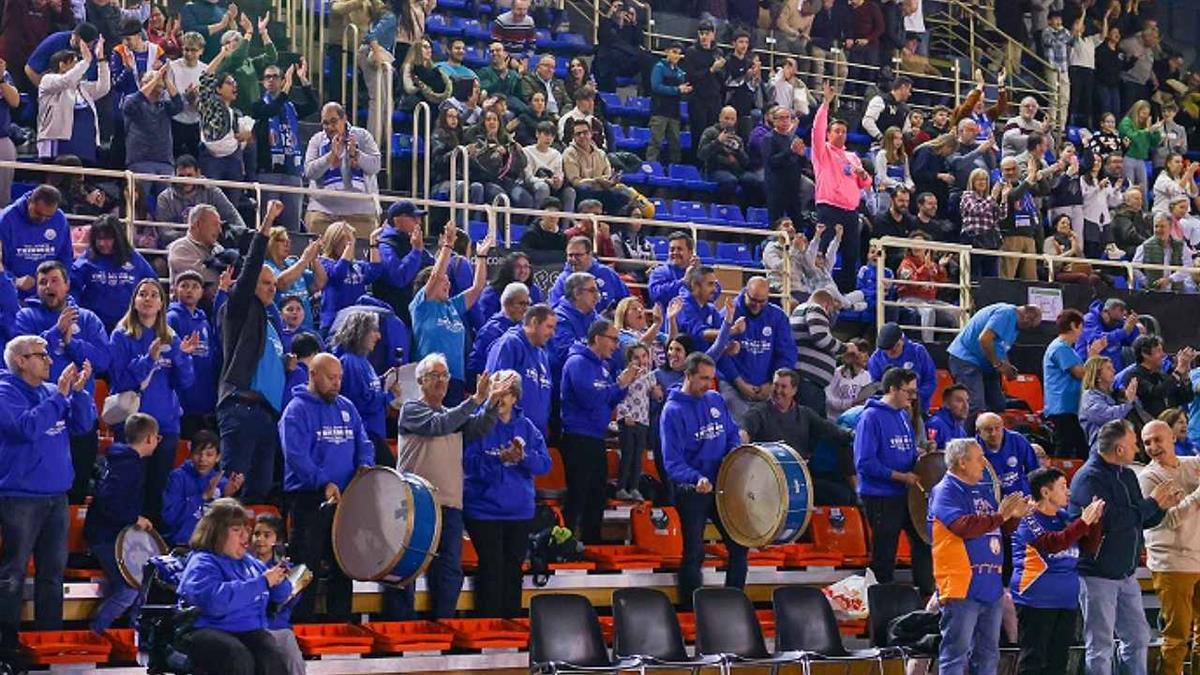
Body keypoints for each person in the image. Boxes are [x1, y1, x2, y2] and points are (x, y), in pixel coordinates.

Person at [388, 356, 511, 620]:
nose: (441, 381)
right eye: (434, 375)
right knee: (405, 566)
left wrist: (491, 403)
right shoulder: (411, 409)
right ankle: (400, 627)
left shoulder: (452, 414)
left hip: (450, 504)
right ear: (420, 381)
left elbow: (478, 428)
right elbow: (439, 426)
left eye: (445, 376)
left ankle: (443, 624)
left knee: (449, 570)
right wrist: (476, 401)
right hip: (415, 503)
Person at [0, 337, 94, 659]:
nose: (49, 361)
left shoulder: (54, 390)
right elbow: (26, 427)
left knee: (52, 575)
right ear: (21, 361)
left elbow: (83, 426)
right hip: (19, 498)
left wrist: (78, 393)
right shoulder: (5, 392)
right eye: (41, 355)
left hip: (57, 497)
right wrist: (61, 397)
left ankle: (49, 642)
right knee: (13, 574)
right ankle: (7, 646)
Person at [1071, 419, 1181, 675]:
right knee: (1100, 646)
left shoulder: (1127, 473)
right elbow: (1110, 520)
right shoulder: (1089, 478)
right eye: (1133, 444)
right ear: (1119, 449)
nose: (1137, 450)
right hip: (1098, 575)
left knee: (1138, 638)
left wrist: (1161, 507)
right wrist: (1151, 504)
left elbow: (1139, 517)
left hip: (1126, 573)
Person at [279, 352, 374, 621]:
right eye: (331, 378)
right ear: (312, 374)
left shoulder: (347, 406)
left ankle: (339, 627)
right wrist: (323, 482)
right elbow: (296, 456)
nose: (337, 383)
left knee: (343, 566)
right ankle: (300, 629)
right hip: (309, 499)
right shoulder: (295, 411)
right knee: (306, 566)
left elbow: (363, 441)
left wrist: (365, 464)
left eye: (340, 378)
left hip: (345, 499)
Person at [930, 437, 1030, 675]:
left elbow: (1000, 529)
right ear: (962, 462)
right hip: (961, 584)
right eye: (978, 458)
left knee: (988, 654)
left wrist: (1014, 516)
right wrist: (1000, 516)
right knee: (956, 654)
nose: (984, 463)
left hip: (990, 584)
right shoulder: (946, 490)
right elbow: (962, 526)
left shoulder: (983, 490)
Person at [15, 260, 110, 502]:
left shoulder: (87, 319)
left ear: (67, 285)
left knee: (76, 492)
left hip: (79, 415)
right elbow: (18, 358)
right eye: (42, 282)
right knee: (39, 493)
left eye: (55, 281)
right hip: (41, 415)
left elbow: (103, 361)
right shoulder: (26, 316)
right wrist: (56, 333)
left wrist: (72, 343)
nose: (48, 287)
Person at [109, 278, 198, 523]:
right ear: (135, 301)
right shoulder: (121, 335)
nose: (147, 299)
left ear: (162, 304)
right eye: (142, 294)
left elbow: (186, 383)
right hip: (132, 427)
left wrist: (181, 358)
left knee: (156, 492)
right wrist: (148, 360)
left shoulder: (171, 337)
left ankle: (152, 548)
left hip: (164, 427)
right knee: (129, 490)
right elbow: (119, 380)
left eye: (153, 295)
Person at [661, 352, 745, 609]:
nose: (708, 384)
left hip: (722, 484)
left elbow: (732, 435)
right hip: (692, 490)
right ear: (687, 376)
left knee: (740, 545)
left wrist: (733, 455)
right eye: (703, 379)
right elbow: (672, 462)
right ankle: (691, 610)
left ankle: (733, 605)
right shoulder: (672, 411)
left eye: (712, 378)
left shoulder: (715, 399)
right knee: (694, 551)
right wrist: (696, 478)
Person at [463, 369, 550, 617]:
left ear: (515, 397)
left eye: (507, 393)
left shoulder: (528, 427)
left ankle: (511, 624)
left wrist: (524, 457)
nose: (501, 398)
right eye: (496, 391)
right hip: (483, 510)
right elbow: (468, 465)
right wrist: (499, 459)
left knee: (513, 569)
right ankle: (488, 625)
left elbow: (545, 464)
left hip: (519, 511)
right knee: (491, 567)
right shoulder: (477, 425)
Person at [215, 200, 286, 503]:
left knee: (259, 491)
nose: (273, 288)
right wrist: (267, 223)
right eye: (265, 283)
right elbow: (252, 265)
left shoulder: (270, 323)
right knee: (233, 488)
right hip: (241, 408)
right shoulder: (241, 310)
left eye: (274, 284)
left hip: (266, 415)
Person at [175, 498, 292, 675]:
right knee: (237, 657)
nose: (245, 537)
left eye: (246, 529)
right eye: (236, 530)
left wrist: (280, 580)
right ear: (217, 533)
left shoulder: (249, 562)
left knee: (270, 655)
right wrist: (262, 583)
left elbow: (281, 595)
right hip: (205, 628)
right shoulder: (202, 562)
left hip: (245, 629)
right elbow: (215, 602)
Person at [1010, 466, 1104, 675]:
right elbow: (1053, 543)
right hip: (1036, 600)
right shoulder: (1028, 518)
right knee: (1033, 661)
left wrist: (1094, 522)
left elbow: (1088, 547)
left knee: (1058, 662)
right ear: (1045, 492)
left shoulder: (1063, 517)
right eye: (1063, 487)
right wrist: (1084, 521)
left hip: (1066, 600)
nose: (1068, 492)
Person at [854, 366, 933, 594]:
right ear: (892, 389)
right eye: (908, 392)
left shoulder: (902, 415)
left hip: (906, 494)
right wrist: (900, 476)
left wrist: (918, 453)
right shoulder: (870, 417)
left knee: (922, 542)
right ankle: (882, 602)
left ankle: (925, 594)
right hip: (881, 496)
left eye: (914, 392)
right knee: (885, 553)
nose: (913, 397)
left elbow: (901, 450)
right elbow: (865, 463)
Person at [560, 319, 640, 542]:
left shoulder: (603, 367)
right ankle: (564, 545)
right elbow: (589, 399)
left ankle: (591, 543)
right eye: (613, 339)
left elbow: (609, 400)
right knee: (577, 495)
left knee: (596, 497)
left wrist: (623, 386)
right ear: (597, 338)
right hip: (578, 438)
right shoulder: (577, 362)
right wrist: (617, 385)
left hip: (596, 438)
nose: (617, 345)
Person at [83, 412, 158, 633]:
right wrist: (135, 519)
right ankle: (94, 632)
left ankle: (135, 636)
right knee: (129, 589)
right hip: (106, 537)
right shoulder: (128, 465)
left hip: (113, 535)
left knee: (144, 584)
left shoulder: (123, 460)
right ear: (149, 438)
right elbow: (110, 502)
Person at [1136, 419, 1200, 674]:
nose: (1152, 446)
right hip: (1172, 565)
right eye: (1147, 442)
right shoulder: (1148, 477)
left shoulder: (1191, 465)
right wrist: (1196, 495)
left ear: (1173, 438)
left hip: (1198, 557)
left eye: (1157, 439)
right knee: (1176, 638)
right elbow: (1168, 518)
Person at [742, 367, 857, 505]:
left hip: (800, 479)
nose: (778, 391)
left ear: (794, 390)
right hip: (767, 480)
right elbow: (744, 432)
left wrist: (855, 435)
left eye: (783, 386)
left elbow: (832, 430)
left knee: (842, 496)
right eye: (775, 385)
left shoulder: (805, 414)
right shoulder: (758, 412)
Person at [410, 224, 490, 406]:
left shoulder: (452, 306)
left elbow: (477, 288)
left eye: (448, 281)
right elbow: (436, 275)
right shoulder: (422, 305)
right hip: (429, 379)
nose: (448, 285)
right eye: (443, 282)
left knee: (452, 432)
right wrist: (448, 245)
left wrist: (482, 256)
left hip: (454, 379)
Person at [813, 81, 871, 290]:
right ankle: (820, 290)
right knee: (825, 251)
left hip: (850, 212)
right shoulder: (822, 152)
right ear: (829, 134)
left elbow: (865, 183)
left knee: (851, 254)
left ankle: (846, 292)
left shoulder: (852, 156)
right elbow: (816, 131)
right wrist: (825, 104)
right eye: (836, 130)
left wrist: (864, 175)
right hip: (828, 208)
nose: (840, 134)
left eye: (844, 131)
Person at [947, 303, 1042, 430]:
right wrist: (998, 364)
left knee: (997, 404)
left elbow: (1001, 348)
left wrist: (1007, 368)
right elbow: (984, 339)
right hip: (966, 359)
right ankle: (965, 441)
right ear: (1027, 317)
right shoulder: (1005, 314)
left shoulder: (1014, 325)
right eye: (1030, 326)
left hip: (985, 365)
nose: (1028, 329)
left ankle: (989, 439)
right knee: (975, 404)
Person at [720, 277, 796, 423]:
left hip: (766, 388)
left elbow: (787, 354)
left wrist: (771, 384)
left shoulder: (778, 317)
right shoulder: (729, 312)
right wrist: (739, 383)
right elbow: (720, 354)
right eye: (753, 300)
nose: (757, 305)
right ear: (745, 292)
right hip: (733, 385)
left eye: (762, 301)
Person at [253, 62, 317, 232]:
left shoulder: (291, 106)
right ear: (263, 82)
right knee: (266, 225)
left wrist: (303, 80)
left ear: (282, 80)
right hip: (269, 171)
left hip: (292, 171)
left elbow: (313, 106)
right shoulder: (258, 106)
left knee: (292, 227)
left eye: (275, 76)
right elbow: (271, 111)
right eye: (267, 77)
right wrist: (286, 90)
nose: (271, 80)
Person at [303, 102, 382, 238]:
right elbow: (309, 172)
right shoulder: (316, 140)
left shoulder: (363, 136)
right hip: (323, 211)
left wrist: (356, 154)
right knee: (314, 224)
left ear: (344, 119)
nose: (329, 127)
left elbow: (375, 166)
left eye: (334, 121)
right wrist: (330, 156)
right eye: (325, 123)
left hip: (360, 212)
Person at [329, 310, 396, 466]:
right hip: (365, 434)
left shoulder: (363, 361)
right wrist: (389, 395)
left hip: (374, 433)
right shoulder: (350, 362)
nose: (378, 336)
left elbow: (368, 390)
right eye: (374, 331)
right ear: (360, 332)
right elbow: (361, 402)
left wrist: (382, 380)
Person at [70, 215, 158, 332]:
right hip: (95, 327)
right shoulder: (87, 259)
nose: (102, 243)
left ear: (117, 238)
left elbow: (153, 284)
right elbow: (72, 287)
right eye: (98, 239)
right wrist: (77, 313)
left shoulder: (133, 258)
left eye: (107, 239)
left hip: (128, 325)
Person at [167, 270, 225, 438]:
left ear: (201, 292)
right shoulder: (172, 318)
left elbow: (213, 353)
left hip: (205, 396)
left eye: (194, 286)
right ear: (175, 290)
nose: (189, 290)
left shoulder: (203, 320)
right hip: (184, 398)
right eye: (184, 286)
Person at [37, 38, 110, 165]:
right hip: (59, 142)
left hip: (85, 143)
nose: (80, 68)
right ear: (62, 65)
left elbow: (103, 88)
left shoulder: (82, 87)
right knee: (58, 179)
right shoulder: (48, 80)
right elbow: (66, 81)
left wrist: (101, 60)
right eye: (75, 64)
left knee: (80, 180)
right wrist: (86, 61)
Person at [1044, 309, 1105, 458]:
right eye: (1081, 327)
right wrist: (1093, 357)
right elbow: (1081, 373)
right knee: (1065, 446)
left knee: (1081, 447)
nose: (1082, 332)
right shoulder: (1059, 348)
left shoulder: (1069, 350)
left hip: (1073, 407)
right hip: (1063, 407)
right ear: (1073, 325)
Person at [161, 429, 238, 546]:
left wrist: (227, 496)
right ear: (190, 453)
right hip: (181, 545)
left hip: (212, 546)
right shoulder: (177, 477)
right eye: (198, 453)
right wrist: (203, 497)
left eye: (209, 454)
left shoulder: (221, 482)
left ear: (218, 457)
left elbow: (225, 524)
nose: (203, 459)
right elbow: (169, 516)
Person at [0, 185, 73, 301]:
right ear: (30, 202)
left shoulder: (60, 220)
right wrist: (14, 280)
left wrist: (60, 282)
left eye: (48, 217)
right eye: (38, 213)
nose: (42, 220)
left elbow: (66, 257)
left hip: (49, 295)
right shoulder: (6, 220)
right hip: (12, 293)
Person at [156, 156, 246, 248]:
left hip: (211, 242)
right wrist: (194, 236)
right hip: (179, 244)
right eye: (181, 176)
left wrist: (243, 236)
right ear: (174, 175)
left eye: (189, 175)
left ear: (198, 173)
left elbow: (232, 216)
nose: (185, 180)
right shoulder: (165, 198)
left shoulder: (212, 191)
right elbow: (164, 232)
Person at [790, 289, 846, 415]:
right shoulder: (815, 308)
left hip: (806, 381)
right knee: (813, 428)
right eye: (832, 311)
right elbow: (821, 338)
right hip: (808, 383)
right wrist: (846, 348)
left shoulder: (799, 311)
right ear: (827, 305)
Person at [547, 236, 629, 314]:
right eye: (570, 255)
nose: (573, 259)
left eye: (578, 255)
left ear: (589, 254)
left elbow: (625, 300)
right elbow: (554, 309)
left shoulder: (606, 273)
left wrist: (615, 313)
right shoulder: (563, 280)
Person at [867, 321, 937, 412]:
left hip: (917, 407)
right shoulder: (876, 359)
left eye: (894, 347)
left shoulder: (918, 352)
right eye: (886, 350)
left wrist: (914, 397)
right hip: (889, 409)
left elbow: (930, 380)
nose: (890, 352)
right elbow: (875, 387)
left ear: (902, 340)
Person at [1130, 335, 1195, 419]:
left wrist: (1185, 373)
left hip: (1171, 425)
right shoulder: (1134, 376)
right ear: (1145, 354)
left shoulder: (1161, 375)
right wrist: (1178, 371)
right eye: (1158, 351)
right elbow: (1156, 392)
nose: (1163, 354)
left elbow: (1186, 397)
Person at [1077, 298, 1140, 371]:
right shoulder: (1089, 319)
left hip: (1113, 370)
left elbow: (1133, 341)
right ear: (1105, 311)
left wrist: (1132, 326)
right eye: (1114, 320)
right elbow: (1097, 340)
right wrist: (1123, 331)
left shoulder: (1118, 321)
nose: (1117, 323)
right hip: (1090, 370)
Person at [928, 384, 970, 449]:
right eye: (959, 401)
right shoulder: (935, 425)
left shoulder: (961, 430)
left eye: (967, 401)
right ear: (946, 404)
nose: (966, 406)